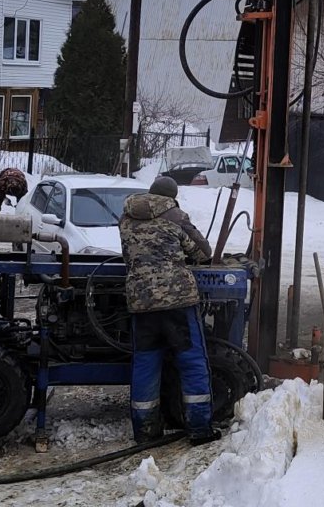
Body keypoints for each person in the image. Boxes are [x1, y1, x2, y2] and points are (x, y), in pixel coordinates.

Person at [118, 175, 219, 445]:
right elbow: (202, 251)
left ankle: (146, 431)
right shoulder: (175, 215)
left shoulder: (126, 217)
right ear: (171, 196)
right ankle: (199, 428)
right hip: (178, 302)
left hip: (141, 302)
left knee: (145, 364)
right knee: (192, 362)